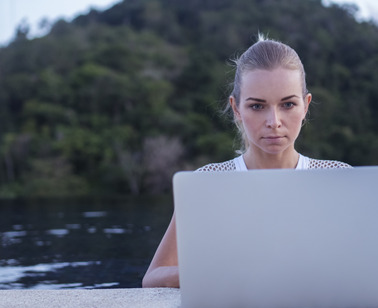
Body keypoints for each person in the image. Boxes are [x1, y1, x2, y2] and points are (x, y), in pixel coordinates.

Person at [142, 35, 350, 288]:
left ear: (305, 106)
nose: (274, 121)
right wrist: (212, 271)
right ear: (237, 108)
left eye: (287, 104)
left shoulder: (338, 178)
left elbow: (367, 266)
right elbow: (153, 277)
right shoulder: (206, 183)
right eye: (257, 106)